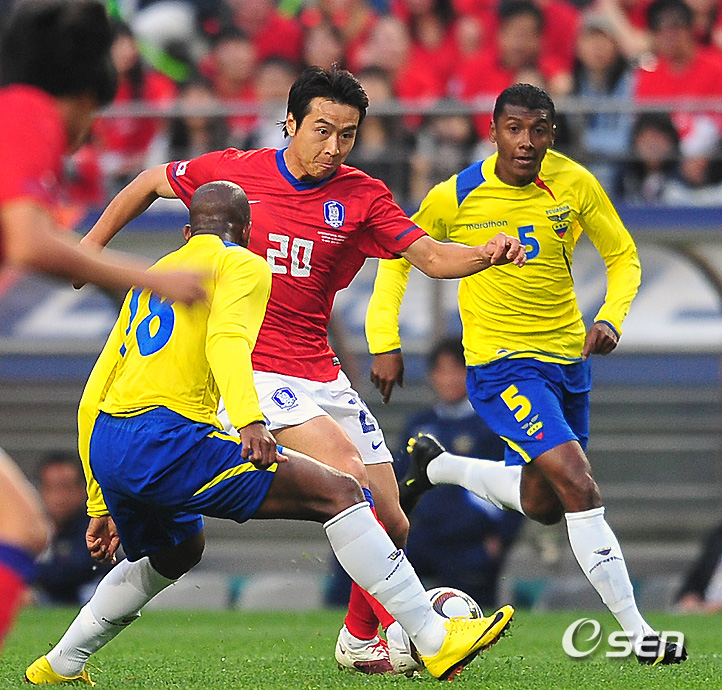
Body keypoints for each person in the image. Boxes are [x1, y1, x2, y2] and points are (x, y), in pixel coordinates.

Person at [77, 65, 525, 675]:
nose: (334, 147)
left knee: (392, 520)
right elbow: (151, 180)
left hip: (319, 369)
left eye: (348, 134)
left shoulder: (362, 195)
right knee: (348, 479)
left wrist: (485, 253)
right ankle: (428, 631)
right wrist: (89, 250)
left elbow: (431, 256)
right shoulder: (237, 175)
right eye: (323, 130)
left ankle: (358, 640)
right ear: (290, 123)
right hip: (256, 368)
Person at [366, 83, 687, 666]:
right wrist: (384, 341)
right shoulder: (454, 196)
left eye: (538, 130)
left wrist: (611, 318)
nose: (526, 142)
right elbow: (397, 258)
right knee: (579, 484)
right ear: (493, 132)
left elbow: (623, 256)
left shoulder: (574, 183)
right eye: (514, 129)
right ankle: (640, 633)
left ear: (552, 134)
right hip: (500, 367)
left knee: (545, 503)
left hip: (567, 362)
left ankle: (439, 466)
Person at [0, 0, 205, 652]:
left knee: (21, 528)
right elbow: (31, 243)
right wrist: (150, 278)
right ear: (86, 95)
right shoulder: (29, 112)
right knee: (20, 529)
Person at [32, 453, 114, 606]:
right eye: (51, 488)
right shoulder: (33, 527)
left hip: (87, 592)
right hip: (44, 596)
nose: (59, 498)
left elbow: (80, 567)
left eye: (65, 487)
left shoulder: (96, 523)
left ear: (82, 490)